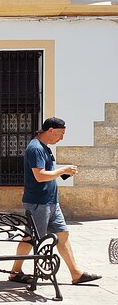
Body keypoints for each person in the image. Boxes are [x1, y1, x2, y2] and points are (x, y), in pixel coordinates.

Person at [9, 117, 101, 286]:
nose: (62, 138)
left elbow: (47, 173)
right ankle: (15, 272)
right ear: (51, 130)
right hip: (38, 203)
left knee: (63, 234)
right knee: (30, 238)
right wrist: (62, 170)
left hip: (51, 201)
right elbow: (40, 175)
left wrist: (63, 172)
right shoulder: (35, 148)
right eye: (60, 134)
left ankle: (76, 273)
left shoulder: (45, 148)